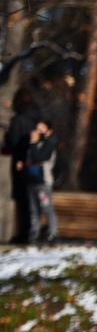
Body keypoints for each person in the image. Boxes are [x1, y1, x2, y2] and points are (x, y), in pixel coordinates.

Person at [4, 89, 41, 244]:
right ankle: (35, 231)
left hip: (20, 164)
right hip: (38, 164)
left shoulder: (18, 120)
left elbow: (12, 141)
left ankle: (24, 233)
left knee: (23, 200)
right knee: (35, 199)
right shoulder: (39, 119)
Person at [23, 119, 57, 244]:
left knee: (47, 207)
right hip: (31, 182)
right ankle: (34, 233)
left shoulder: (49, 145)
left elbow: (39, 157)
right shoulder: (33, 145)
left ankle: (52, 232)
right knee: (34, 209)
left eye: (42, 128)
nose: (38, 131)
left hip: (43, 183)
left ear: (48, 131)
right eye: (37, 128)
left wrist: (32, 142)